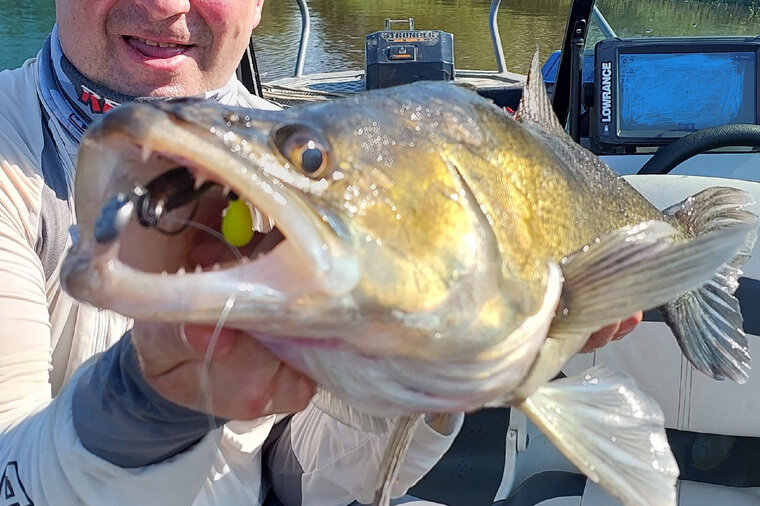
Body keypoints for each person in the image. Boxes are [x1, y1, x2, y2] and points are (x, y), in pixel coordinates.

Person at [0, 1, 641, 504]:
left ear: (258, 7)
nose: (166, 5)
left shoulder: (276, 152)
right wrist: (145, 403)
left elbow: (300, 477)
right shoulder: (13, 147)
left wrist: (420, 381)